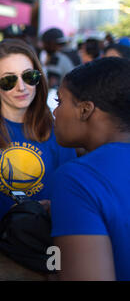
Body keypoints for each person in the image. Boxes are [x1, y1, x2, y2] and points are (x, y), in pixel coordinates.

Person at [0, 39, 76, 239]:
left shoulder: (58, 130)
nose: (21, 87)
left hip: (45, 243)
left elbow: (69, 193)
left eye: (29, 76)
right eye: (9, 80)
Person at [49, 57, 130, 280]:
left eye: (59, 102)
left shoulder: (77, 178)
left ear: (85, 110)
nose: (54, 113)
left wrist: (52, 263)